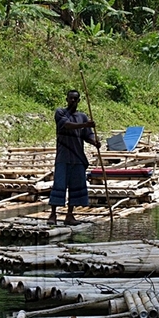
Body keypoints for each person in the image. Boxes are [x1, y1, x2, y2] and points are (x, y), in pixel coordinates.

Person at [47, 89, 100, 226]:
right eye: (70, 98)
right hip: (63, 156)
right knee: (59, 185)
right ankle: (53, 214)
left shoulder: (82, 116)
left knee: (76, 186)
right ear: (66, 99)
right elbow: (67, 126)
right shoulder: (60, 113)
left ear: (78, 101)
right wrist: (85, 125)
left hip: (77, 157)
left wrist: (95, 142)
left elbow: (87, 135)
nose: (72, 101)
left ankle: (70, 215)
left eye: (75, 99)